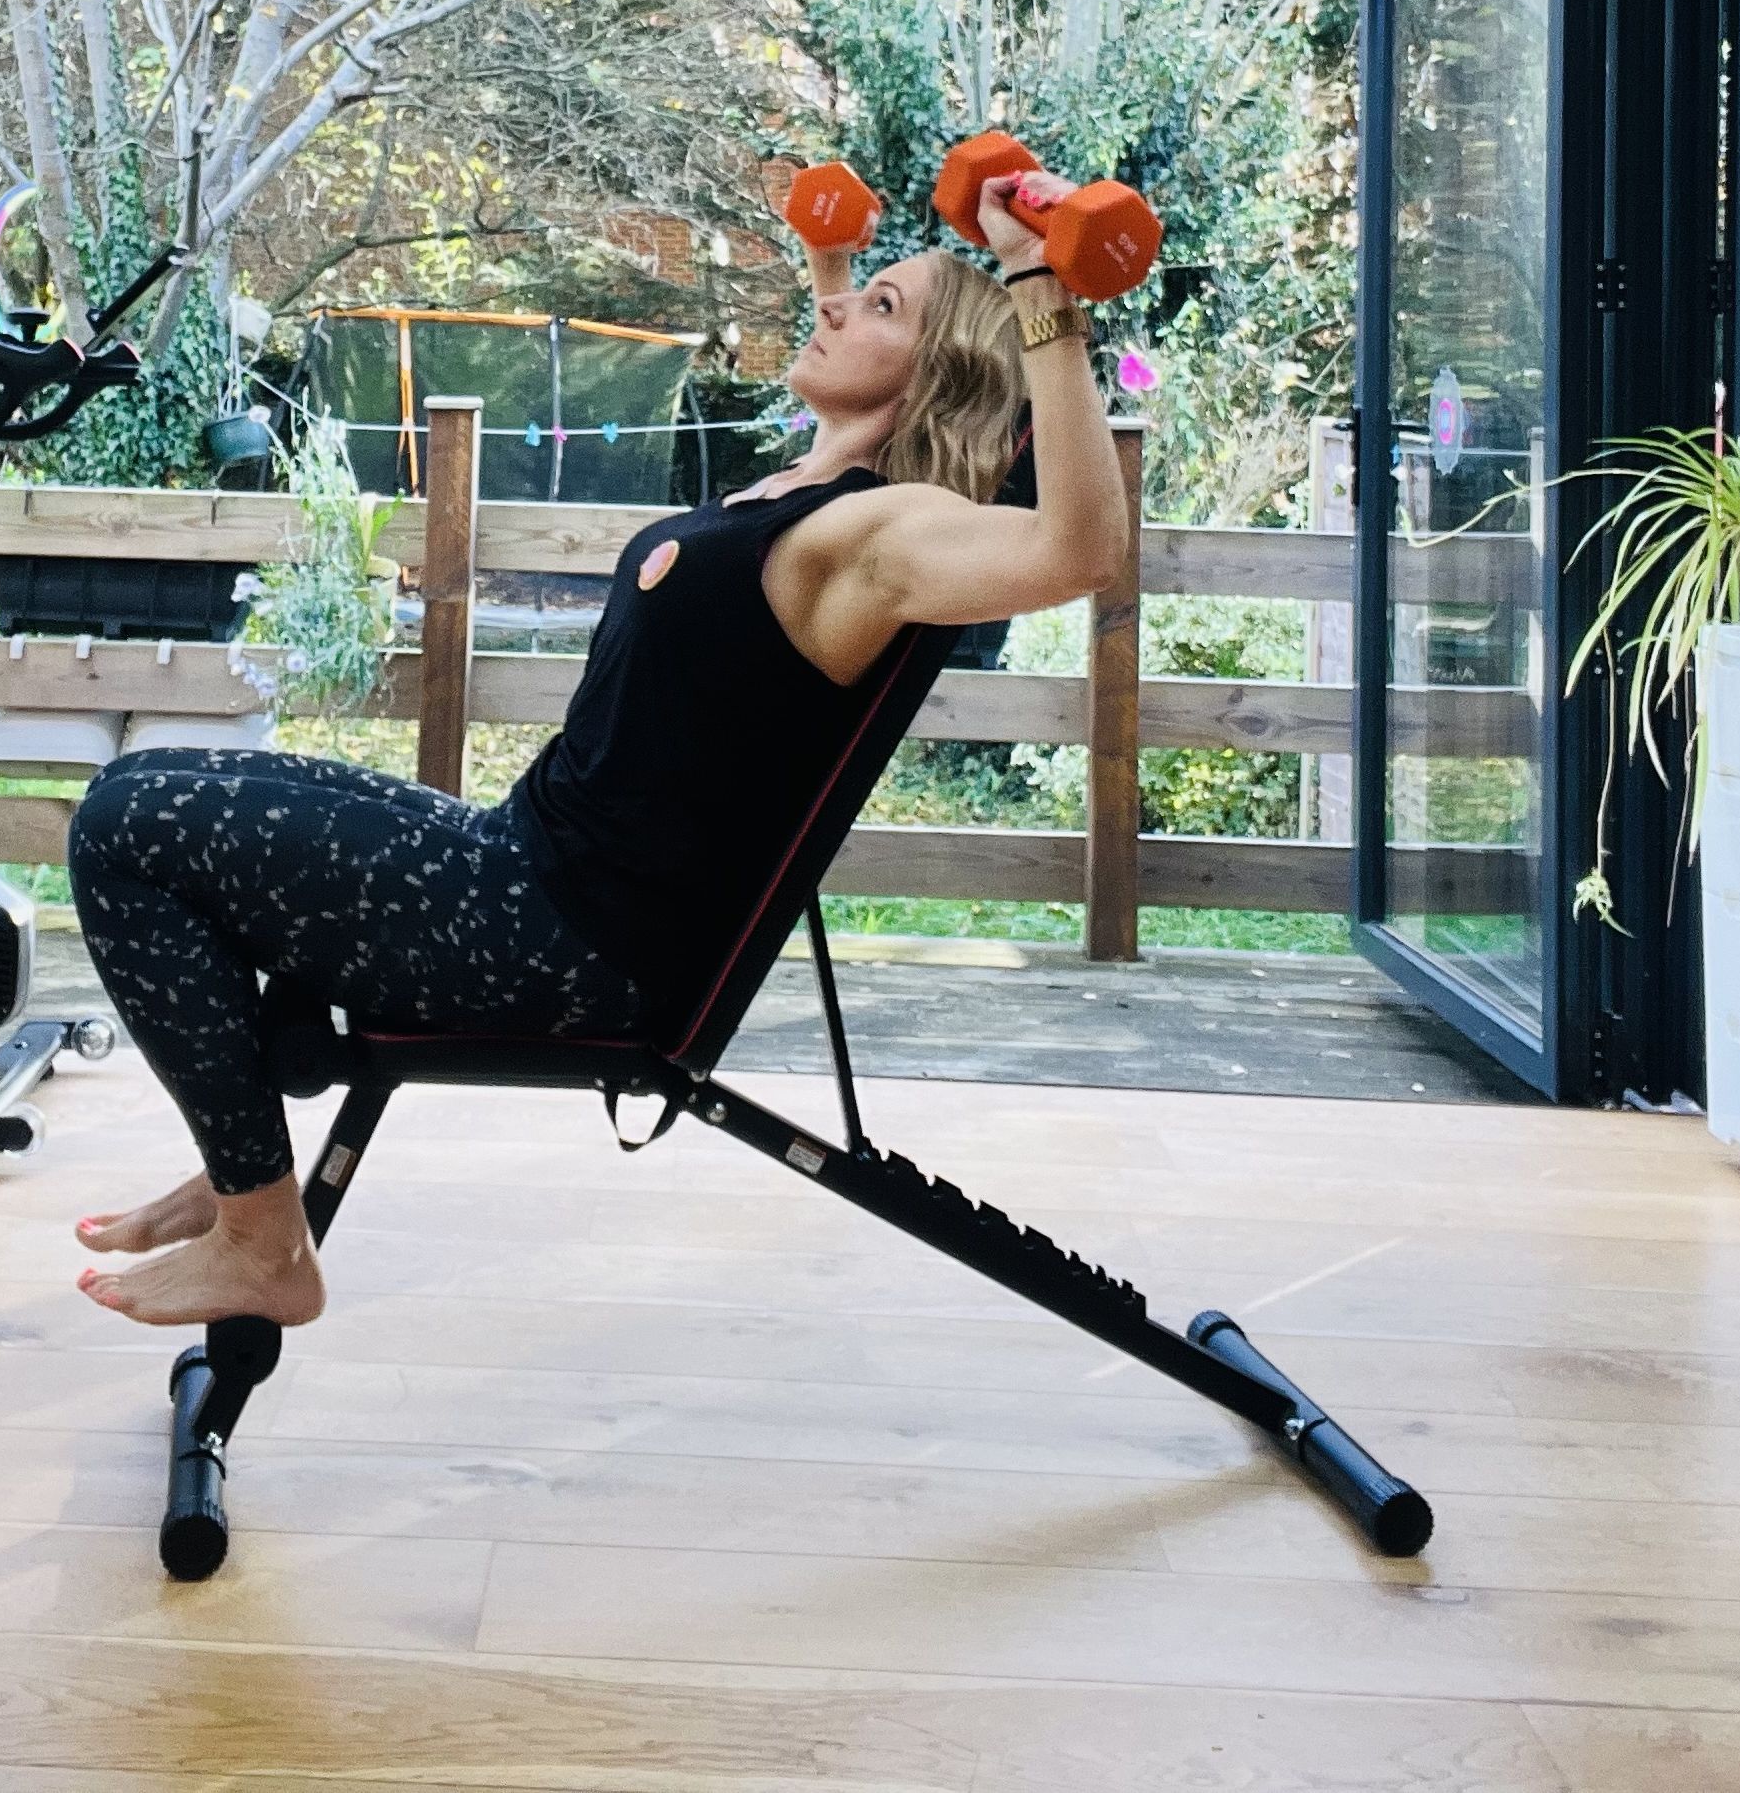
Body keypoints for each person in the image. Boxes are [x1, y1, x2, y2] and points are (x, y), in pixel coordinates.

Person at [62, 169, 1133, 1328]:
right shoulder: (809, 489)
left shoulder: (881, 531)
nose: (834, 308)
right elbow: (834, 399)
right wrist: (836, 261)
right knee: (148, 783)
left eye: (881, 306)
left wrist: (1037, 280)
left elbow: (1077, 551)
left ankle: (263, 1242)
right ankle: (244, 1168)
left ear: (942, 372)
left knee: (128, 831)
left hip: (563, 934)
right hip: (525, 863)